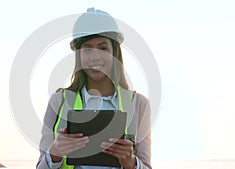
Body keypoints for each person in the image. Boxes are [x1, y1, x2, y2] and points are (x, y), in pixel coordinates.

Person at [36, 8, 152, 169]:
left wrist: (131, 163)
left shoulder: (139, 104)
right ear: (79, 55)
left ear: (114, 53)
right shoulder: (58, 102)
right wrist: (54, 154)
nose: (95, 56)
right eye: (87, 48)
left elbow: (146, 165)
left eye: (103, 48)